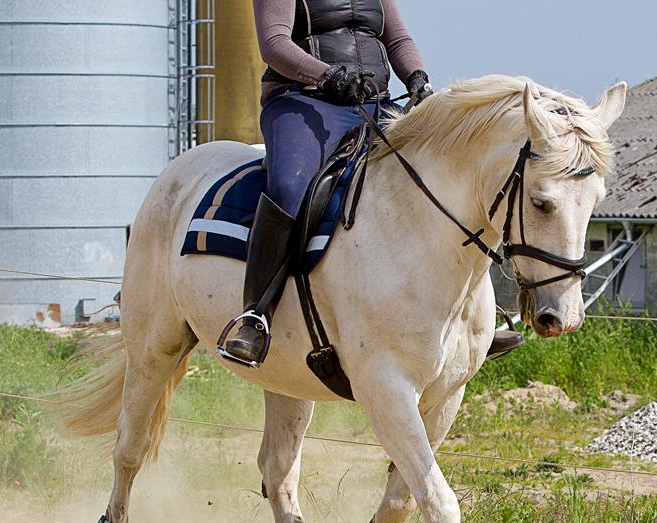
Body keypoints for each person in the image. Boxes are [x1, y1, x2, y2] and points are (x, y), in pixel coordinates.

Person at [220, 0, 523, 366]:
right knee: (289, 185)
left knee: (446, 178)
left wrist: (416, 76)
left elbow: (397, 39)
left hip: (373, 100)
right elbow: (274, 44)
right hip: (304, 100)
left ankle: (472, 320)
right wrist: (326, 75)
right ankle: (255, 316)